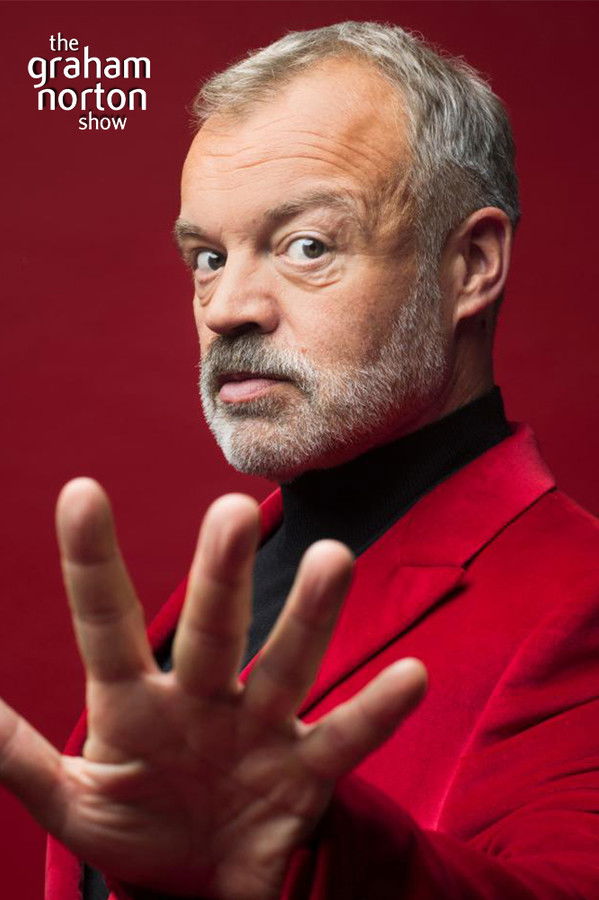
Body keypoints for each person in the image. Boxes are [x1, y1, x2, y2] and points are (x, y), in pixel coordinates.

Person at [1, 19, 598, 900]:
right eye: (208, 256)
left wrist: (304, 854)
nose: (226, 308)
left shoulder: (578, 600)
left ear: (470, 264)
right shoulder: (227, 587)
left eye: (306, 245)